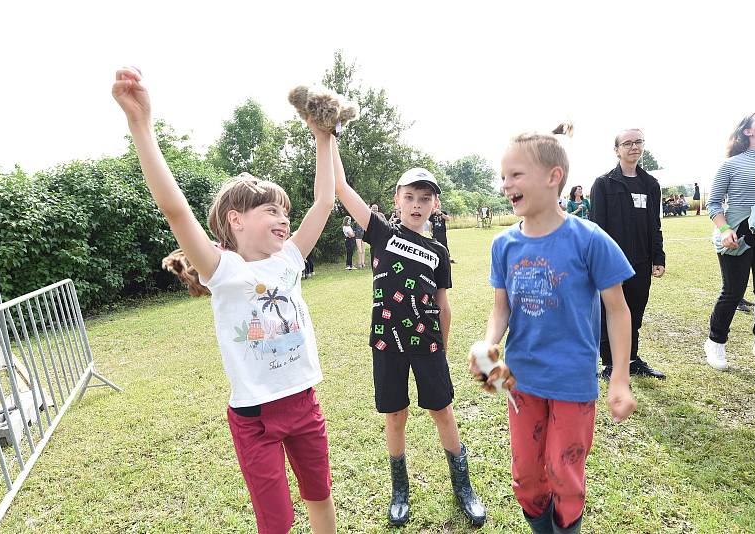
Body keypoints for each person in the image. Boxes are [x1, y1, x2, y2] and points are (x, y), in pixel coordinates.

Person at [112, 67, 337, 534]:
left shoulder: (290, 259)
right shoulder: (223, 270)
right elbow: (175, 210)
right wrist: (141, 125)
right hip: (253, 417)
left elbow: (323, 205)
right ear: (235, 220)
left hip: (303, 403)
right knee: (275, 521)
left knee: (319, 497)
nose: (282, 218)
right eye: (270, 209)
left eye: (284, 211)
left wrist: (323, 136)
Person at [470, 123, 636, 534]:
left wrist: (619, 379)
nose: (506, 184)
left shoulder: (589, 239)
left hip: (573, 381)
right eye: (503, 176)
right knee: (527, 476)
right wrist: (488, 344)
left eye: (515, 174)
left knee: (565, 475)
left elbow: (618, 311)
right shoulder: (503, 245)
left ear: (553, 177)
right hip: (521, 380)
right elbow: (501, 309)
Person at [334, 162, 486, 526]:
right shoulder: (383, 234)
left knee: (442, 411)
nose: (416, 204)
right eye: (409, 197)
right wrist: (329, 137)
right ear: (397, 201)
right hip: (387, 343)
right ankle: (400, 489)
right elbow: (341, 187)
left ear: (435, 204)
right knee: (395, 415)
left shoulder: (437, 251)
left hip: (428, 345)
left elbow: (444, 307)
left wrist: (443, 351)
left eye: (424, 198)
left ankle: (462, 486)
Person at [703, 111, 755, 373]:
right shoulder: (731, 165)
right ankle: (715, 342)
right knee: (733, 291)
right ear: (747, 131)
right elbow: (713, 204)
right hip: (736, 235)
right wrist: (724, 229)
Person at [590, 129, 667, 380]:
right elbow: (597, 228)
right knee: (609, 312)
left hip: (642, 261)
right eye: (627, 143)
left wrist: (658, 257)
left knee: (635, 311)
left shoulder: (650, 184)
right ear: (617, 150)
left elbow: (655, 224)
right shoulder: (603, 184)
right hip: (612, 263)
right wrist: (604, 264)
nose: (633, 146)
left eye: (638, 142)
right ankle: (610, 363)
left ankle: (632, 359)